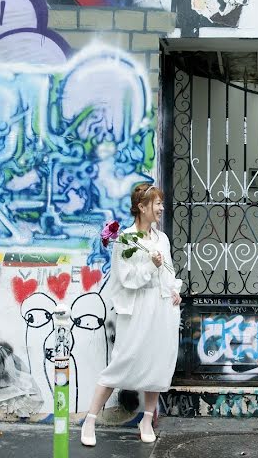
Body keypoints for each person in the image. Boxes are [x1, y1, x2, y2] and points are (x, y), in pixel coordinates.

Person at [80, 183, 182, 446]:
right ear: (142, 206)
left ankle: (147, 419)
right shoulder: (125, 240)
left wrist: (174, 290)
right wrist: (150, 265)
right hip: (137, 309)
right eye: (157, 203)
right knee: (122, 362)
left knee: (156, 364)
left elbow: (168, 270)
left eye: (161, 203)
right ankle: (90, 419)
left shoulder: (161, 239)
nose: (161, 208)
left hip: (161, 307)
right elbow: (125, 279)